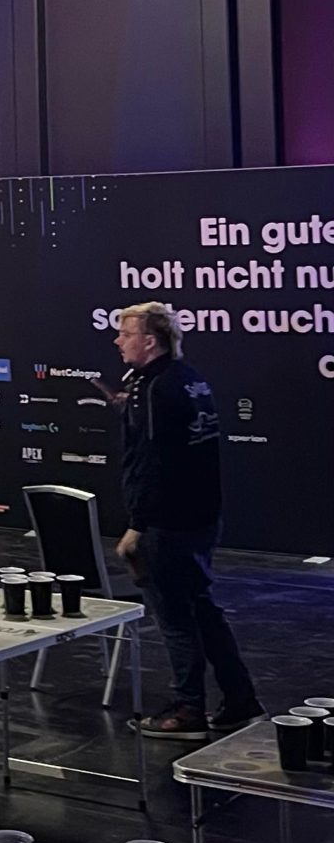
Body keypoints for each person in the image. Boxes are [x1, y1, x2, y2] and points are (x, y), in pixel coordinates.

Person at [114, 302, 261, 741]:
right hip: (201, 517)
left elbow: (155, 463)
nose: (118, 341)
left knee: (176, 617)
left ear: (150, 341)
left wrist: (137, 526)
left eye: (125, 334)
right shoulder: (189, 378)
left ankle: (188, 709)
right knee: (202, 610)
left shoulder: (155, 389)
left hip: (168, 523)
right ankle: (240, 698)